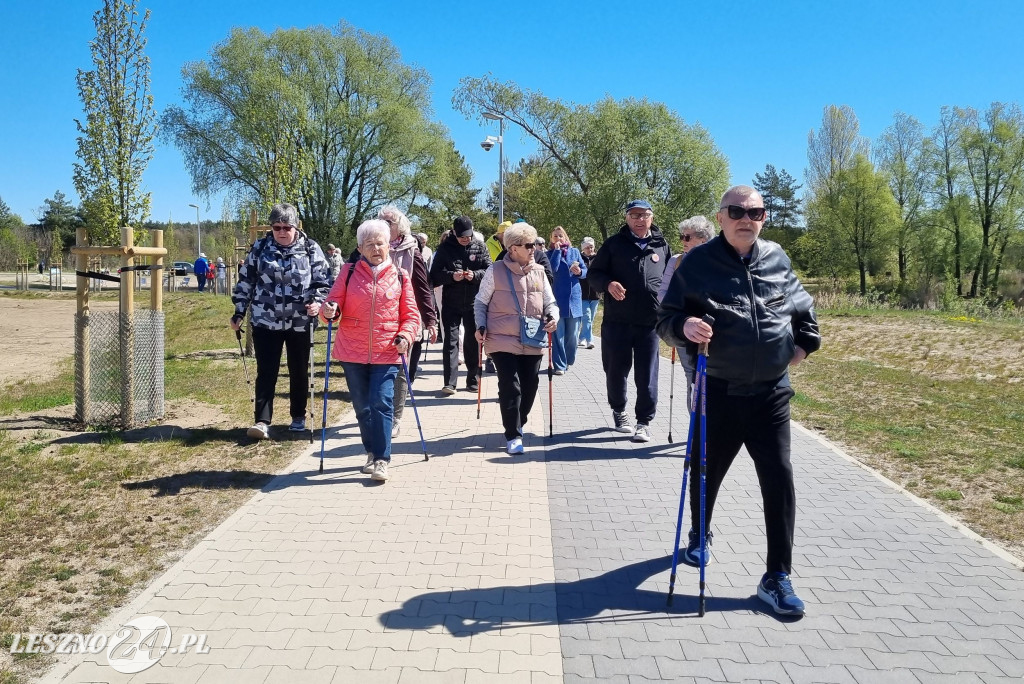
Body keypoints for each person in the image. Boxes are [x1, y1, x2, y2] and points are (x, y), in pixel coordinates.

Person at [656, 185, 820, 616]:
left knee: (779, 481)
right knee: (704, 469)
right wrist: (685, 326)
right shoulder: (697, 263)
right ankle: (699, 533)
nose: (747, 218)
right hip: (719, 390)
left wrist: (802, 347)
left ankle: (777, 576)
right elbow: (666, 319)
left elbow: (803, 309)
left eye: (756, 211)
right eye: (737, 211)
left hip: (771, 394)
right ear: (722, 216)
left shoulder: (777, 257)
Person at [321, 219, 421, 482]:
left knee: (381, 402)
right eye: (370, 245)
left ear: (389, 245)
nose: (376, 248)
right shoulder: (349, 271)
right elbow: (333, 304)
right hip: (352, 350)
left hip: (388, 349)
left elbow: (411, 315)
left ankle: (381, 459)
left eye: (380, 243)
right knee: (363, 407)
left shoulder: (401, 275)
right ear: (360, 247)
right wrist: (329, 310)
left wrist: (405, 335)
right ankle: (370, 451)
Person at [230, 203, 331, 440]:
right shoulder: (260, 248)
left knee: (298, 371)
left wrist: (317, 301)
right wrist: (239, 312)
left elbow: (324, 281)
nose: (282, 232)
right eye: (277, 227)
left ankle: (298, 417)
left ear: (295, 227)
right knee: (266, 371)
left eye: (287, 227)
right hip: (266, 321)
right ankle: (262, 421)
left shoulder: (310, 248)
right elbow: (246, 281)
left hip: (300, 321)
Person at [585, 200, 670, 442]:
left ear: (651, 218)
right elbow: (594, 274)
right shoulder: (614, 244)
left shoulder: (662, 245)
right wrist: (608, 284)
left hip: (649, 322)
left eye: (643, 215)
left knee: (648, 374)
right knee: (615, 370)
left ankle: (643, 421)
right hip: (617, 321)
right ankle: (619, 410)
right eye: (634, 215)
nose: (639, 219)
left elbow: (671, 278)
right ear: (627, 219)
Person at [474, 222, 558, 454]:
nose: (534, 249)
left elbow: (550, 301)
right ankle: (512, 434)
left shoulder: (540, 271)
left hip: (532, 336)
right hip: (500, 337)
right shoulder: (495, 270)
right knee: (510, 385)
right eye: (528, 245)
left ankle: (519, 421)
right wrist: (480, 325)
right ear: (512, 248)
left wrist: (553, 316)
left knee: (530, 385)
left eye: (534, 243)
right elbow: (481, 301)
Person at [378, 204, 438, 436]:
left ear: (400, 226)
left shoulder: (413, 251)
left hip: (404, 318)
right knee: (378, 370)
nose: (383, 224)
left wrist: (430, 320)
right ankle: (379, 413)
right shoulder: (369, 246)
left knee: (401, 369)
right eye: (380, 220)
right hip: (375, 319)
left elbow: (423, 288)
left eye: (389, 222)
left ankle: (395, 417)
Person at [657, 216, 716, 409]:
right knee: (692, 375)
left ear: (703, 239)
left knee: (714, 379)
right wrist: (679, 316)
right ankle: (696, 426)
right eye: (681, 236)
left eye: (687, 237)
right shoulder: (676, 261)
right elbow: (662, 293)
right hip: (685, 328)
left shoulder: (720, 261)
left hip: (715, 332)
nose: (682, 241)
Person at [429, 216, 491, 395]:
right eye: (462, 236)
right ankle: (449, 382)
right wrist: (450, 276)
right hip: (451, 302)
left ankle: (473, 379)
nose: (466, 239)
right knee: (451, 341)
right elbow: (434, 275)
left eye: (468, 235)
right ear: (454, 233)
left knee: (473, 341)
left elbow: (489, 270)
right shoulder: (445, 248)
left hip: (474, 302)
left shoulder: (480, 246)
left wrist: (475, 275)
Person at [546, 226, 586, 375]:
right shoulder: (548, 253)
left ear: (566, 237)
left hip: (574, 300)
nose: (558, 239)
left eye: (560, 236)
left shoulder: (574, 252)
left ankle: (568, 360)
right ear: (551, 239)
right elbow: (553, 269)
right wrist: (556, 252)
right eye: (555, 236)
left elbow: (585, 271)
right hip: (557, 299)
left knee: (573, 336)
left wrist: (580, 272)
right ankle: (560, 365)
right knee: (558, 336)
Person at [578, 237, 599, 350]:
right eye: (587, 247)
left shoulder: (598, 258)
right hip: (583, 293)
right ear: (583, 249)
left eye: (591, 247)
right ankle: (590, 340)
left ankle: (581, 338)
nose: (589, 249)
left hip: (595, 294)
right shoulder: (580, 259)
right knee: (587, 317)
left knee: (591, 318)